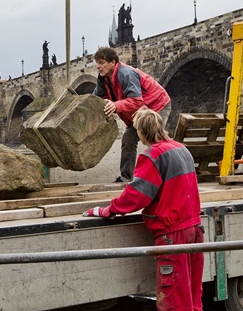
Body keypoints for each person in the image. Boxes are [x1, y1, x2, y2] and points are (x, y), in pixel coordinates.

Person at [83, 109, 203, 311]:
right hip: (194, 229)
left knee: (174, 300)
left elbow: (137, 196)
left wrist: (109, 210)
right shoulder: (181, 149)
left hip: (172, 234)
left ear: (142, 132)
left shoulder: (153, 156)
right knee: (192, 296)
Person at [92, 46, 171, 182]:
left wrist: (116, 105)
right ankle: (126, 178)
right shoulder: (103, 79)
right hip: (140, 111)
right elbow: (95, 98)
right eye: (97, 63)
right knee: (128, 138)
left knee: (154, 138)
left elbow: (136, 101)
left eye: (102, 63)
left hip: (157, 105)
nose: (99, 66)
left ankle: (167, 175)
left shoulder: (126, 74)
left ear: (113, 62)